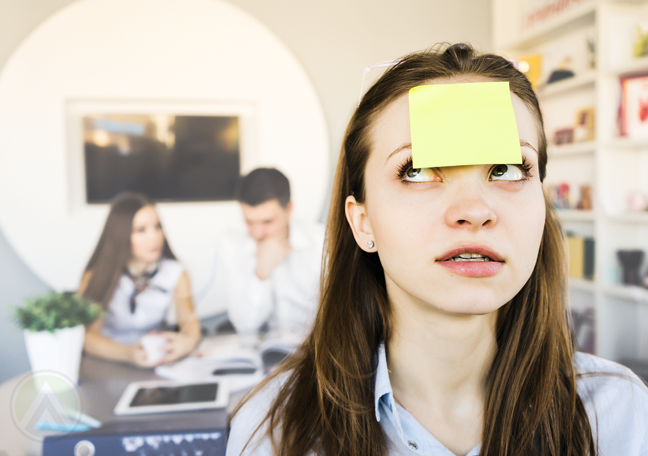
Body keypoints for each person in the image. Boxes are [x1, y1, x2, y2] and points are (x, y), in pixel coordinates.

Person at [226, 44, 648, 455]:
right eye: (419, 171)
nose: (474, 211)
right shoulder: (275, 432)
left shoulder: (619, 413)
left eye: (506, 169)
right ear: (362, 221)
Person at [79, 193, 201, 367]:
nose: (154, 237)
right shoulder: (96, 276)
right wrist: (128, 354)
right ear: (120, 235)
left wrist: (186, 343)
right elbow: (87, 337)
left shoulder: (175, 272)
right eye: (141, 230)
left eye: (157, 227)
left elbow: (190, 323)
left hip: (155, 362)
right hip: (107, 363)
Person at [211, 167, 324, 338]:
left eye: (267, 222)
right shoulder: (233, 245)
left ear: (289, 209)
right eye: (249, 222)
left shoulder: (323, 242)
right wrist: (261, 272)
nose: (258, 233)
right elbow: (245, 326)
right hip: (265, 354)